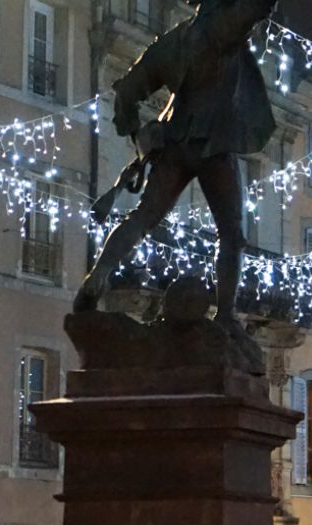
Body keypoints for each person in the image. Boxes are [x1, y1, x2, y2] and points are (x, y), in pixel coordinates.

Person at [74, 0, 279, 326]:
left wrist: (138, 134)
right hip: (213, 145)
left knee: (142, 218)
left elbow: (127, 91)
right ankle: (225, 316)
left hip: (175, 144)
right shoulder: (223, 28)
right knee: (231, 235)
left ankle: (99, 272)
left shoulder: (175, 39)